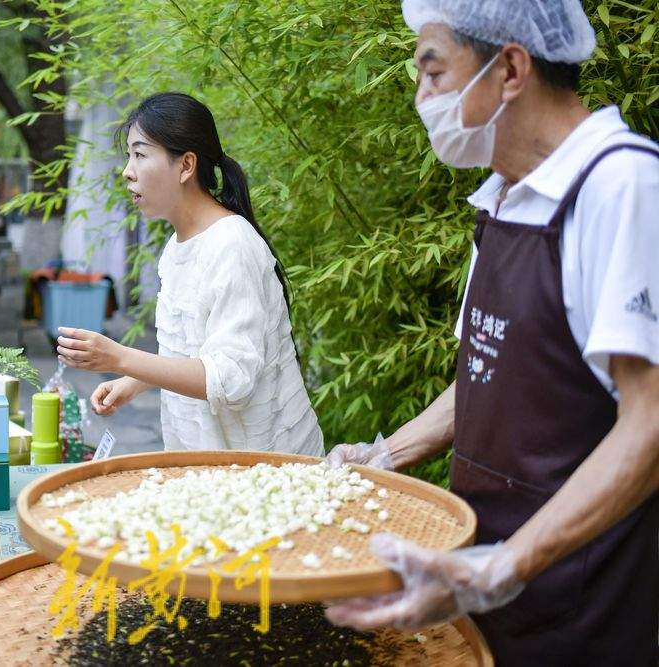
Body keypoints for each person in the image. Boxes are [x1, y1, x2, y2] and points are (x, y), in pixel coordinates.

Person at [324, 2, 658, 664]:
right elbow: (488, 373)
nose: (421, 98)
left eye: (433, 71)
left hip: (579, 602)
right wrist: (386, 455)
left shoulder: (621, 185)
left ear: (509, 67)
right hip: (479, 579)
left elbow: (649, 424)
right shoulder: (503, 195)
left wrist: (507, 564)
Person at [56, 93, 323, 457]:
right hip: (209, 464)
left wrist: (118, 357)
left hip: (267, 472)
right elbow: (194, 354)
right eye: (128, 156)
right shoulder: (177, 247)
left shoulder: (232, 244)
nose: (127, 171)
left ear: (185, 166)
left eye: (139, 154)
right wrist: (136, 380)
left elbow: (231, 380)